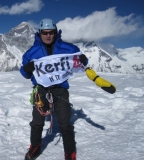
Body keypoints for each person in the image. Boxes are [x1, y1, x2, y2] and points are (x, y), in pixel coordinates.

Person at [20, 18, 88, 160]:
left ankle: (70, 153)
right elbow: (25, 73)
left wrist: (83, 60)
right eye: (45, 32)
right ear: (40, 33)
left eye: (51, 32)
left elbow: (79, 59)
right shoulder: (32, 52)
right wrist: (27, 69)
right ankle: (35, 146)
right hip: (41, 90)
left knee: (64, 123)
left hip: (60, 89)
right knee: (37, 122)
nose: (48, 35)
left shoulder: (67, 48)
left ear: (55, 32)